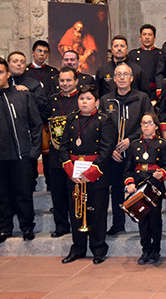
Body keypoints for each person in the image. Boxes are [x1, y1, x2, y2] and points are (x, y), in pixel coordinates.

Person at [0, 57, 42, 244]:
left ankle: (27, 228)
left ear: (8, 74)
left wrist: (34, 153)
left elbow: (36, 125)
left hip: (21, 156)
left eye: (0, 72)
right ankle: (5, 229)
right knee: (2, 196)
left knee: (23, 194)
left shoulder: (22, 95)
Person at [60, 84, 115, 264]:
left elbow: (106, 150)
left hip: (96, 174)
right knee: (76, 214)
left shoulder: (104, 120)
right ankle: (78, 249)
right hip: (74, 173)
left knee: (97, 213)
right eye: (82, 98)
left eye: (89, 98)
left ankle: (98, 249)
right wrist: (71, 171)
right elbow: (63, 147)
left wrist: (90, 174)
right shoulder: (71, 119)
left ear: (97, 102)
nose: (84, 102)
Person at [100, 63, 153, 236]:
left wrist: (131, 140)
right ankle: (118, 223)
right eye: (118, 75)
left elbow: (150, 122)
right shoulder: (105, 100)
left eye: (125, 74)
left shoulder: (142, 98)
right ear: (114, 79)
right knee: (116, 189)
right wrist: (110, 149)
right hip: (114, 153)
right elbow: (100, 127)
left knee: (139, 188)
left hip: (137, 150)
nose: (122, 78)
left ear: (131, 78)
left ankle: (143, 223)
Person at [123, 113, 166, 265]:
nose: (146, 126)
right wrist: (129, 183)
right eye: (143, 123)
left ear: (156, 126)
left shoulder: (163, 144)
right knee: (142, 219)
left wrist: (161, 173)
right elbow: (128, 169)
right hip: (138, 185)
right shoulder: (134, 144)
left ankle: (155, 250)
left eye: (149, 123)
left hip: (154, 185)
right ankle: (145, 250)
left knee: (155, 219)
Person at [45, 67, 81, 238]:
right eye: (62, 80)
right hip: (55, 155)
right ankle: (61, 225)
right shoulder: (51, 100)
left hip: (76, 155)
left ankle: (77, 225)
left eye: (69, 80)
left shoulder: (82, 100)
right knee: (57, 192)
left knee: (74, 193)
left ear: (76, 81)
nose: (65, 84)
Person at [128, 24, 161, 99]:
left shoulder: (160, 53)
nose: (147, 37)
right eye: (144, 34)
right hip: (137, 92)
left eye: (150, 35)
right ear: (140, 38)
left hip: (155, 93)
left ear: (154, 38)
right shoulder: (133, 54)